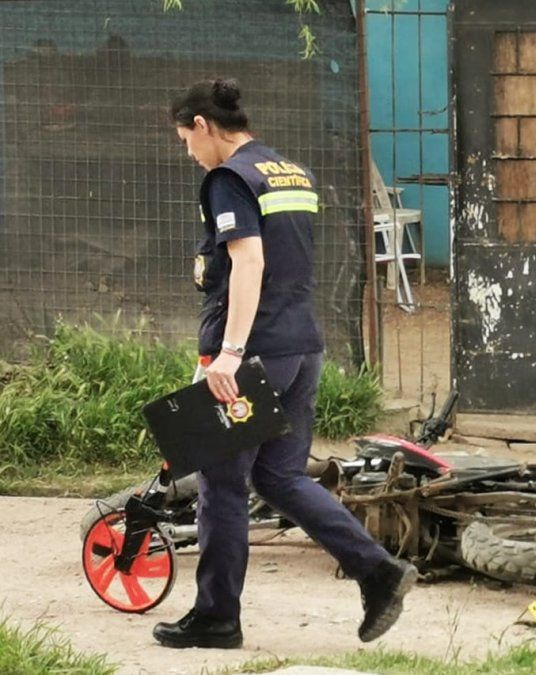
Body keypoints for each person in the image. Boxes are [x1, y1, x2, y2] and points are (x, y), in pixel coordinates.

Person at [153, 78, 416, 649]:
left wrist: (229, 352)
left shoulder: (229, 178)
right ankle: (378, 572)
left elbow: (249, 262)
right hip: (302, 346)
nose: (188, 153)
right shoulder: (289, 171)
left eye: (184, 140)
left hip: (255, 354)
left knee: (221, 484)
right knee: (279, 476)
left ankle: (217, 618)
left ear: (202, 125)